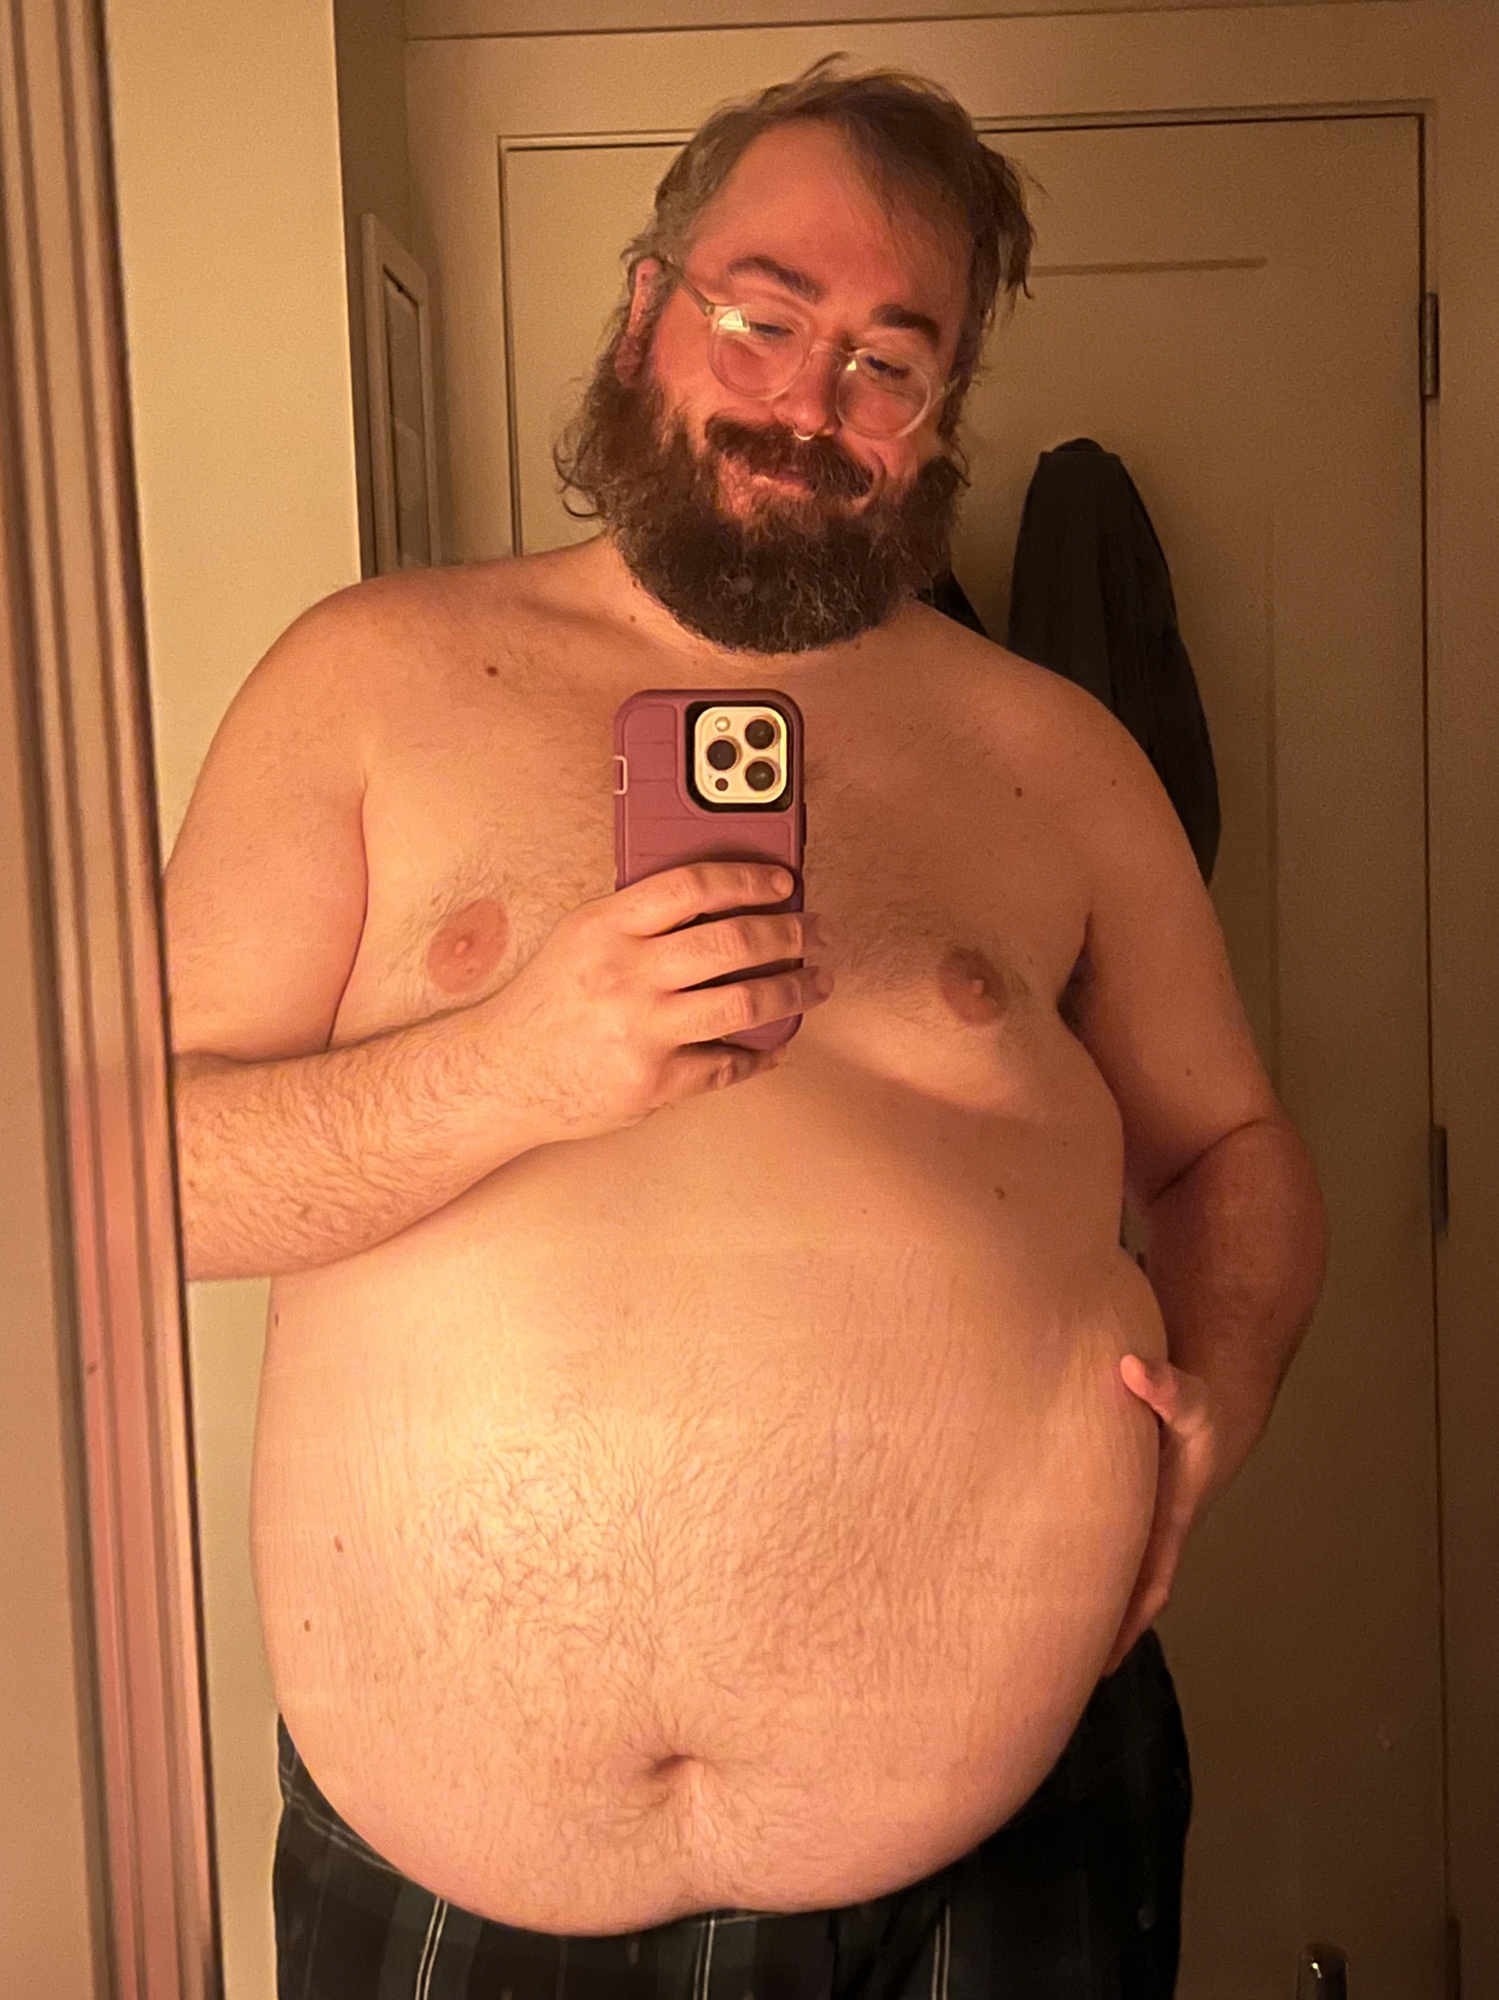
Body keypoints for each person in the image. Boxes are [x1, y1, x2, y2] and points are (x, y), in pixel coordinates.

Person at [165, 58, 1327, 2000]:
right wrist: (512, 1067)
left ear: (944, 408)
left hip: (1004, 1856)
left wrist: (1230, 1388)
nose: (809, 402)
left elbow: (1234, 1153)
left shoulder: (1055, 760)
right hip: (450, 1878)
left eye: (888, 359)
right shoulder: (367, 683)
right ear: (648, 308)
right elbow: (121, 1188)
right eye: (763, 317)